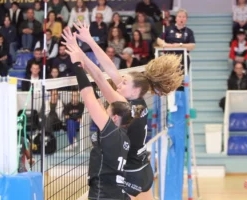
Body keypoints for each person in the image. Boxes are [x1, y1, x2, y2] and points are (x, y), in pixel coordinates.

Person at [62, 21, 183, 199]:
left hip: (131, 174)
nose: (120, 84)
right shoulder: (138, 100)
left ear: (134, 90)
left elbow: (100, 79)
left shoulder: (126, 106)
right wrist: (88, 42)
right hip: (143, 168)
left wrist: (81, 57)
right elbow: (109, 69)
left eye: (124, 82)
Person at [65, 45, 144, 199]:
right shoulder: (123, 135)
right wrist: (84, 65)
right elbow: (98, 102)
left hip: (103, 195)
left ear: (114, 118)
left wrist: (76, 65)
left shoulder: (111, 132)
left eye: (107, 111)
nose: (103, 111)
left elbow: (88, 97)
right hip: (117, 193)